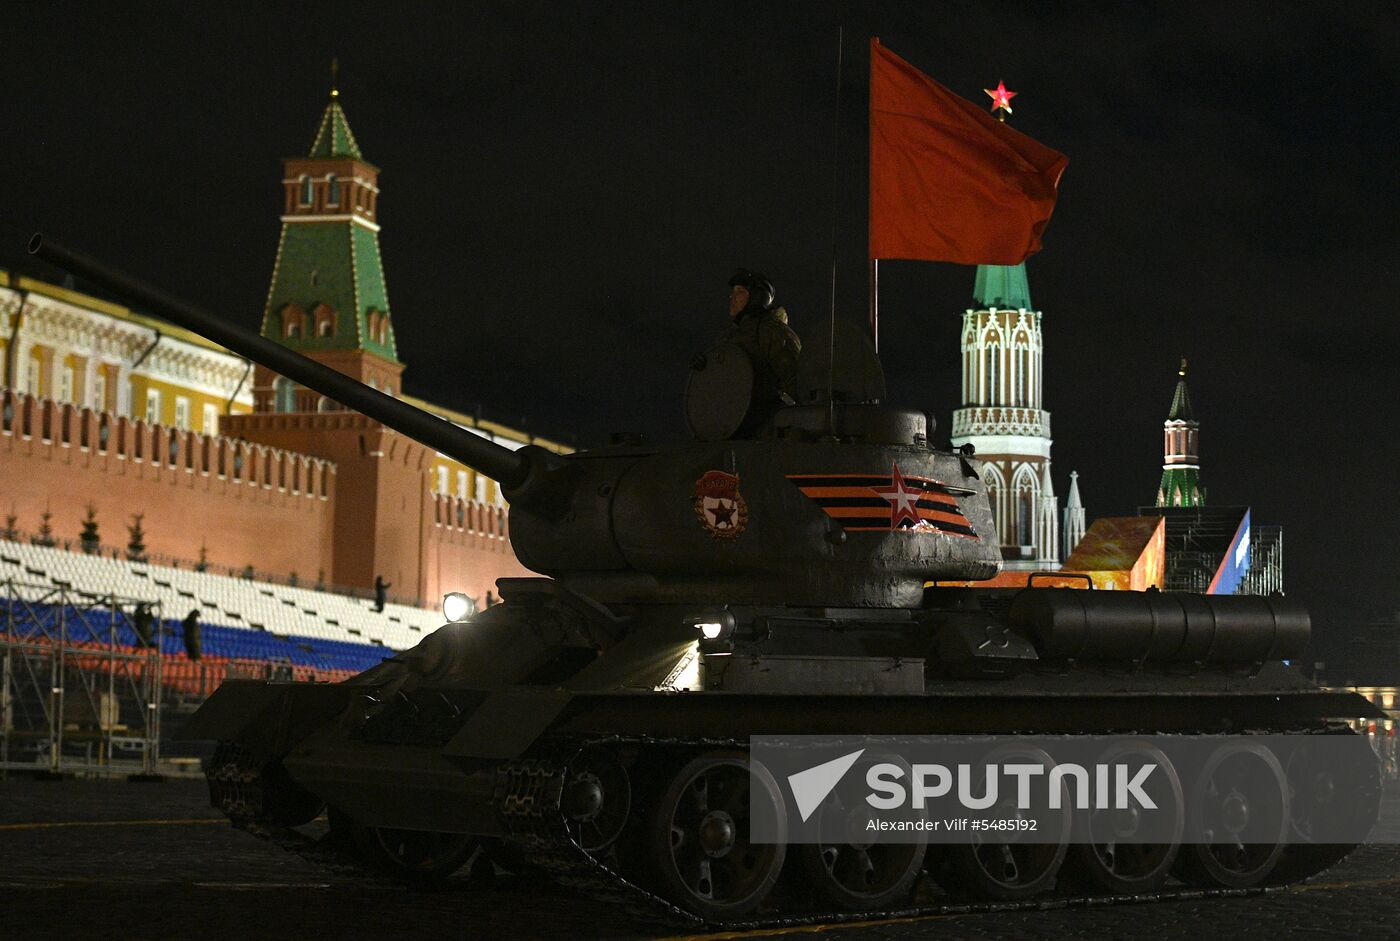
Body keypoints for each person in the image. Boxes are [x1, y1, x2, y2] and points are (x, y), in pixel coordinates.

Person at [721, 269, 801, 435]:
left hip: (766, 429)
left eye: (740, 292)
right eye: (732, 293)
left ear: (757, 297)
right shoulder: (729, 337)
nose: (732, 297)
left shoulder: (774, 333)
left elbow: (796, 384)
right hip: (730, 425)